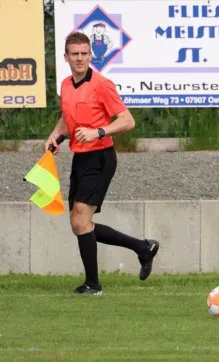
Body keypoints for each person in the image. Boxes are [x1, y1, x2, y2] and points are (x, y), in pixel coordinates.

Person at [45, 32, 160, 295]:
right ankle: (143, 248)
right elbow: (67, 118)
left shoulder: (101, 84)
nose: (80, 58)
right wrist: (56, 135)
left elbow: (127, 120)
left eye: (84, 53)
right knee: (79, 224)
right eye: (75, 54)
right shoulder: (64, 85)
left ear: (90, 55)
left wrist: (99, 131)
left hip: (101, 156)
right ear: (66, 57)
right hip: (80, 157)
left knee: (80, 219)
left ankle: (93, 285)